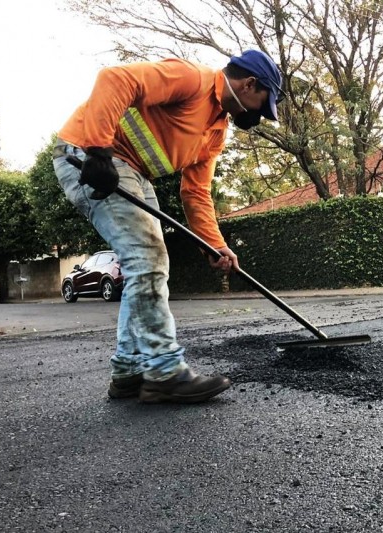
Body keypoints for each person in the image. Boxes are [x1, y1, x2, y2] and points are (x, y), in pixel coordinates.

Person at [52, 50, 284, 403]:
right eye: (261, 106)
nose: (258, 117)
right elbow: (115, 79)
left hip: (135, 173)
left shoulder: (216, 130)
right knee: (148, 259)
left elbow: (196, 192)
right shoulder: (193, 78)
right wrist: (99, 150)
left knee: (148, 267)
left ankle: (129, 371)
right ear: (249, 84)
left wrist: (214, 245)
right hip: (89, 156)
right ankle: (164, 372)